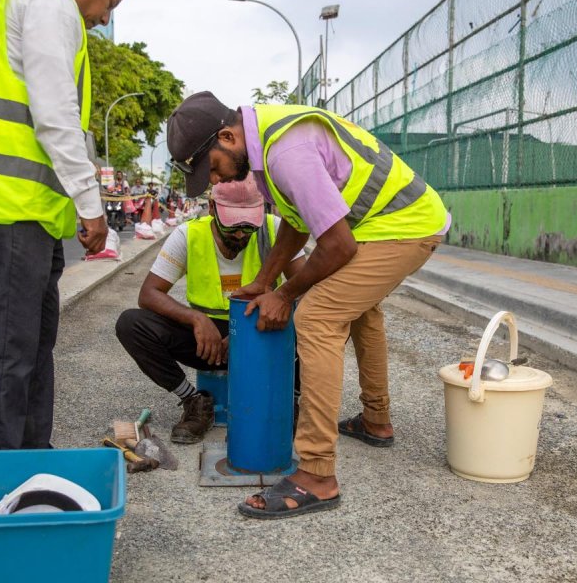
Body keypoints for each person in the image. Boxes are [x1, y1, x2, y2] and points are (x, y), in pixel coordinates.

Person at [166, 91, 450, 518]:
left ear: (226, 137)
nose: (217, 181)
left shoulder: (286, 154)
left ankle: (317, 475)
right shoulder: (265, 146)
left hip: (406, 226)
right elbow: (297, 225)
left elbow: (337, 246)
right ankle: (376, 420)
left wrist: (284, 294)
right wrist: (263, 280)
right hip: (392, 221)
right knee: (361, 309)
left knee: (317, 316)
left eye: (214, 169)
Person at [0, 0, 134, 456]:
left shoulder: (23, 3)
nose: (103, 18)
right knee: (9, 350)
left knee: (31, 345)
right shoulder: (50, 4)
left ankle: (30, 460)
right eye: (108, 3)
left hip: (26, 209)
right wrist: (91, 207)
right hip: (9, 204)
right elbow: (55, 116)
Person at [115, 174, 305, 443]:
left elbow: (311, 289)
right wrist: (195, 319)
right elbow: (149, 294)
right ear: (213, 208)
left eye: (248, 226)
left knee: (322, 317)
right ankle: (194, 401)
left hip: (263, 335)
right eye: (232, 226)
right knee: (131, 324)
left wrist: (247, 331)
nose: (240, 234)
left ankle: (290, 401)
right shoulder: (188, 235)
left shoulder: (275, 230)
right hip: (210, 343)